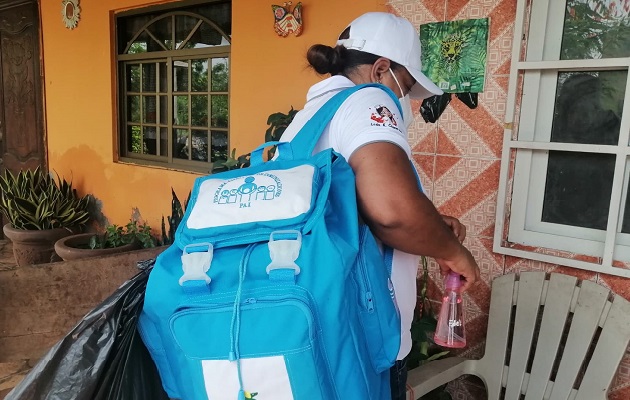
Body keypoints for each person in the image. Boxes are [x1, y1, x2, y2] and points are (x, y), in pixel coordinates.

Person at [279, 12, 481, 400]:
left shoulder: (309, 120)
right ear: (381, 68)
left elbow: (346, 209)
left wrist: (432, 226)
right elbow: (392, 212)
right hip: (360, 336)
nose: (405, 99)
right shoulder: (368, 99)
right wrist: (452, 251)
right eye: (404, 84)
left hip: (322, 329)